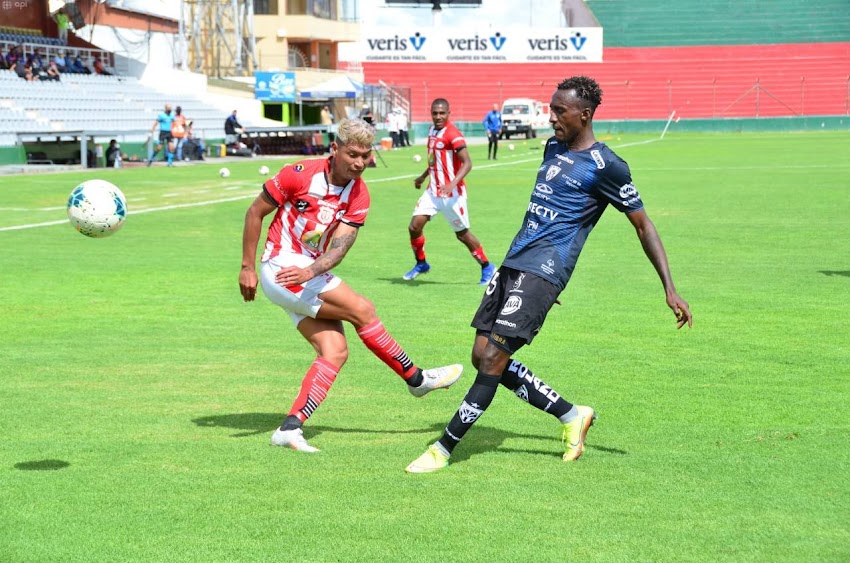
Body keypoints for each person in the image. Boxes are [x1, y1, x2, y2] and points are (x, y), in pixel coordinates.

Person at [405, 75, 693, 473]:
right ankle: (572, 415)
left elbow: (644, 226)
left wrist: (670, 289)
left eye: (560, 110)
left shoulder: (607, 166)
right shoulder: (553, 147)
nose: (551, 116)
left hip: (545, 268)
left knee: (492, 359)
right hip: (514, 263)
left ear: (585, 114)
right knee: (481, 356)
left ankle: (443, 449)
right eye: (551, 107)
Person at [239, 118, 464, 453]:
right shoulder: (298, 173)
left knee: (335, 351)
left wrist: (312, 270)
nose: (360, 163)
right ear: (335, 149)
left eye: (365, 156)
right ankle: (416, 379)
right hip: (281, 266)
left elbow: (339, 248)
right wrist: (247, 267)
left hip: (306, 272)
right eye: (353, 154)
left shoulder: (359, 194)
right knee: (363, 309)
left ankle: (289, 428)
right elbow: (255, 212)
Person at [403, 98, 496, 286]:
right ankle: (421, 263)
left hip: (452, 195)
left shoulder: (453, 134)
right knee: (414, 227)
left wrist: (453, 183)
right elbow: (433, 160)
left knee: (462, 234)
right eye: (435, 113)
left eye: (442, 113)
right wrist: (423, 177)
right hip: (433, 191)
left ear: (448, 113)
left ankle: (487, 266)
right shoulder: (431, 131)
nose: (438, 116)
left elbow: (468, 163)